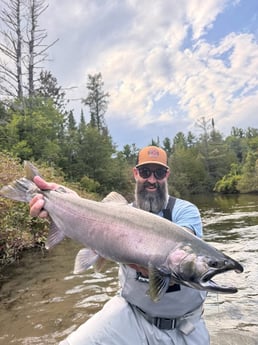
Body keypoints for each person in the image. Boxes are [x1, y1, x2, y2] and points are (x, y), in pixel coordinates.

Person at [29, 146, 210, 345]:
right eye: (145, 172)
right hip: (131, 314)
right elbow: (88, 213)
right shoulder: (114, 212)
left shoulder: (185, 211)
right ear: (135, 173)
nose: (152, 179)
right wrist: (64, 199)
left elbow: (189, 252)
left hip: (184, 328)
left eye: (158, 173)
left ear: (166, 174)